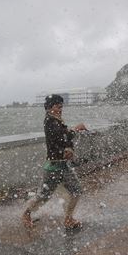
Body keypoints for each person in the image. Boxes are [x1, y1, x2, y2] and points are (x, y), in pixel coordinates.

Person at [22, 94, 87, 230]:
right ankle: (26, 214)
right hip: (53, 167)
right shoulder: (50, 121)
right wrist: (76, 129)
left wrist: (69, 149)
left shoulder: (58, 121)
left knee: (76, 191)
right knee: (44, 196)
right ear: (50, 108)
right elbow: (63, 137)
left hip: (63, 166)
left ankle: (68, 219)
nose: (60, 109)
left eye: (61, 106)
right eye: (58, 107)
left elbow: (66, 139)